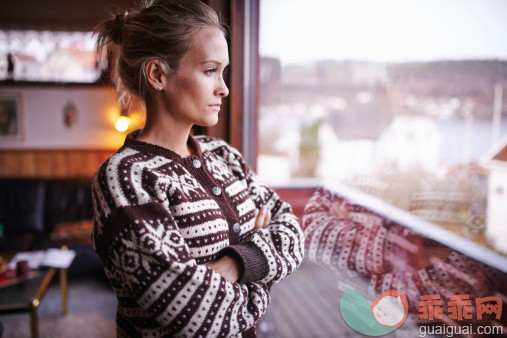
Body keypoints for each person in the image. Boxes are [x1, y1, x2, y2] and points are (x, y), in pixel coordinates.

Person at [91, 1, 304, 337]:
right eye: (210, 71)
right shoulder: (127, 177)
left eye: (224, 71)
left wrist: (235, 264)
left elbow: (293, 234)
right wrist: (263, 265)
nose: (224, 88)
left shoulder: (225, 156)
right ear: (158, 75)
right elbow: (190, 315)